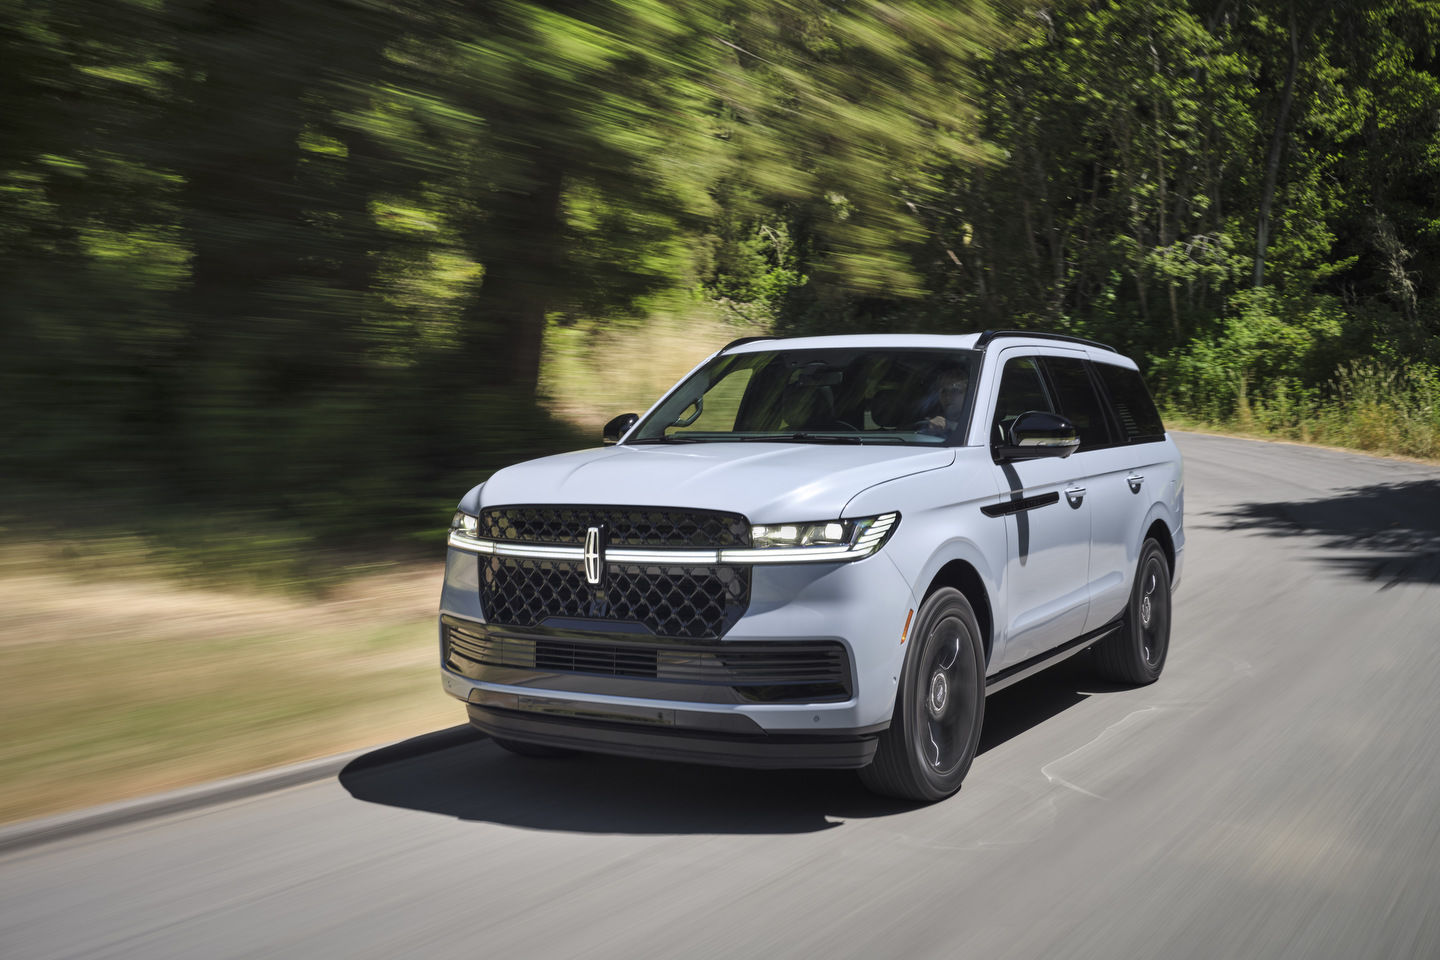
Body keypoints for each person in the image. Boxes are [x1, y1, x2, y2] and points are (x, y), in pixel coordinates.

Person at [920, 366, 970, 437]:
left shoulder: (976, 420)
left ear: (967, 394)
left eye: (954, 391)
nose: (947, 396)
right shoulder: (932, 422)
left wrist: (949, 425)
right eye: (943, 391)